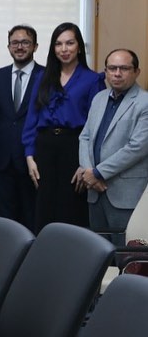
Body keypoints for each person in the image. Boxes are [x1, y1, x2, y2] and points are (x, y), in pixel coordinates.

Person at [23, 22, 104, 232]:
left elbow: (95, 126)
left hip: (74, 147)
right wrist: (29, 156)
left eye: (69, 43)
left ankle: (70, 261)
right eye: (58, 44)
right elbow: (32, 118)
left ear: (79, 46)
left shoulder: (92, 79)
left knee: (71, 207)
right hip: (45, 147)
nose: (64, 49)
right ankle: (44, 260)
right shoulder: (42, 77)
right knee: (44, 206)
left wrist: (86, 163)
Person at [75, 49, 148, 245]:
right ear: (105, 71)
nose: (117, 73)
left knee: (126, 254)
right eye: (112, 68)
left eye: (124, 68)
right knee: (98, 254)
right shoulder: (99, 98)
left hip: (125, 193)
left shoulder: (144, 102)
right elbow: (85, 137)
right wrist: (89, 172)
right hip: (95, 192)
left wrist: (98, 173)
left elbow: (137, 148)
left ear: (136, 72)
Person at [0, 25, 44, 231]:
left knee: (32, 216)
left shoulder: (47, 76)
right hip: (2, 160)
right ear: (8, 47)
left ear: (35, 46)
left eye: (25, 42)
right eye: (15, 43)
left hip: (33, 161)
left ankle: (32, 262)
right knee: (5, 219)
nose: (19, 47)